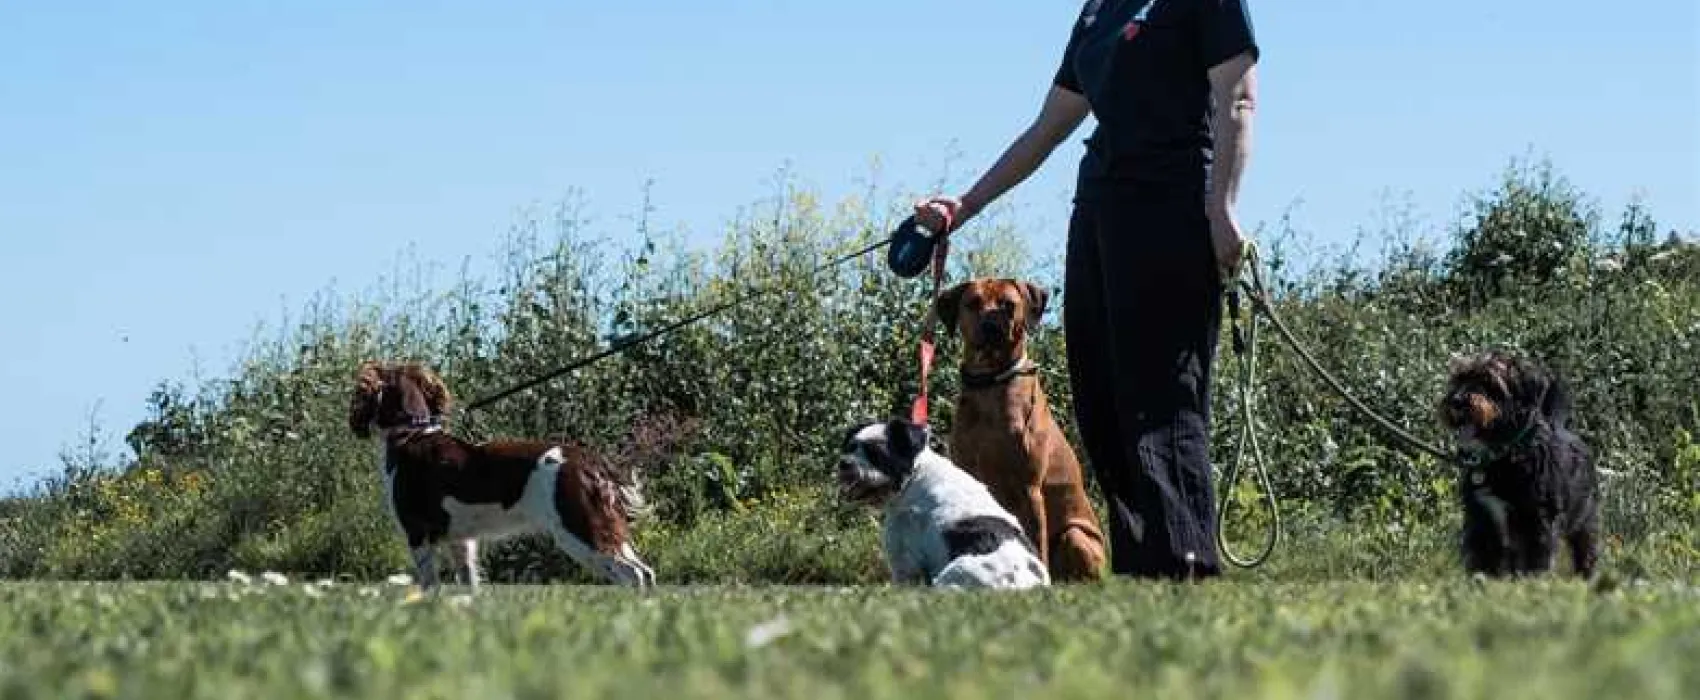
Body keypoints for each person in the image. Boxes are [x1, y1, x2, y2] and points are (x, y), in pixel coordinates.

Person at [912, 0, 1259, 580]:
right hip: (1099, 208)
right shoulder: (1099, 11)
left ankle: (1185, 565)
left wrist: (1221, 209)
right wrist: (964, 206)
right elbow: (1049, 127)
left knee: (1160, 395)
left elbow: (1238, 98)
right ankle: (1143, 565)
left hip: (1171, 203)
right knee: (1101, 395)